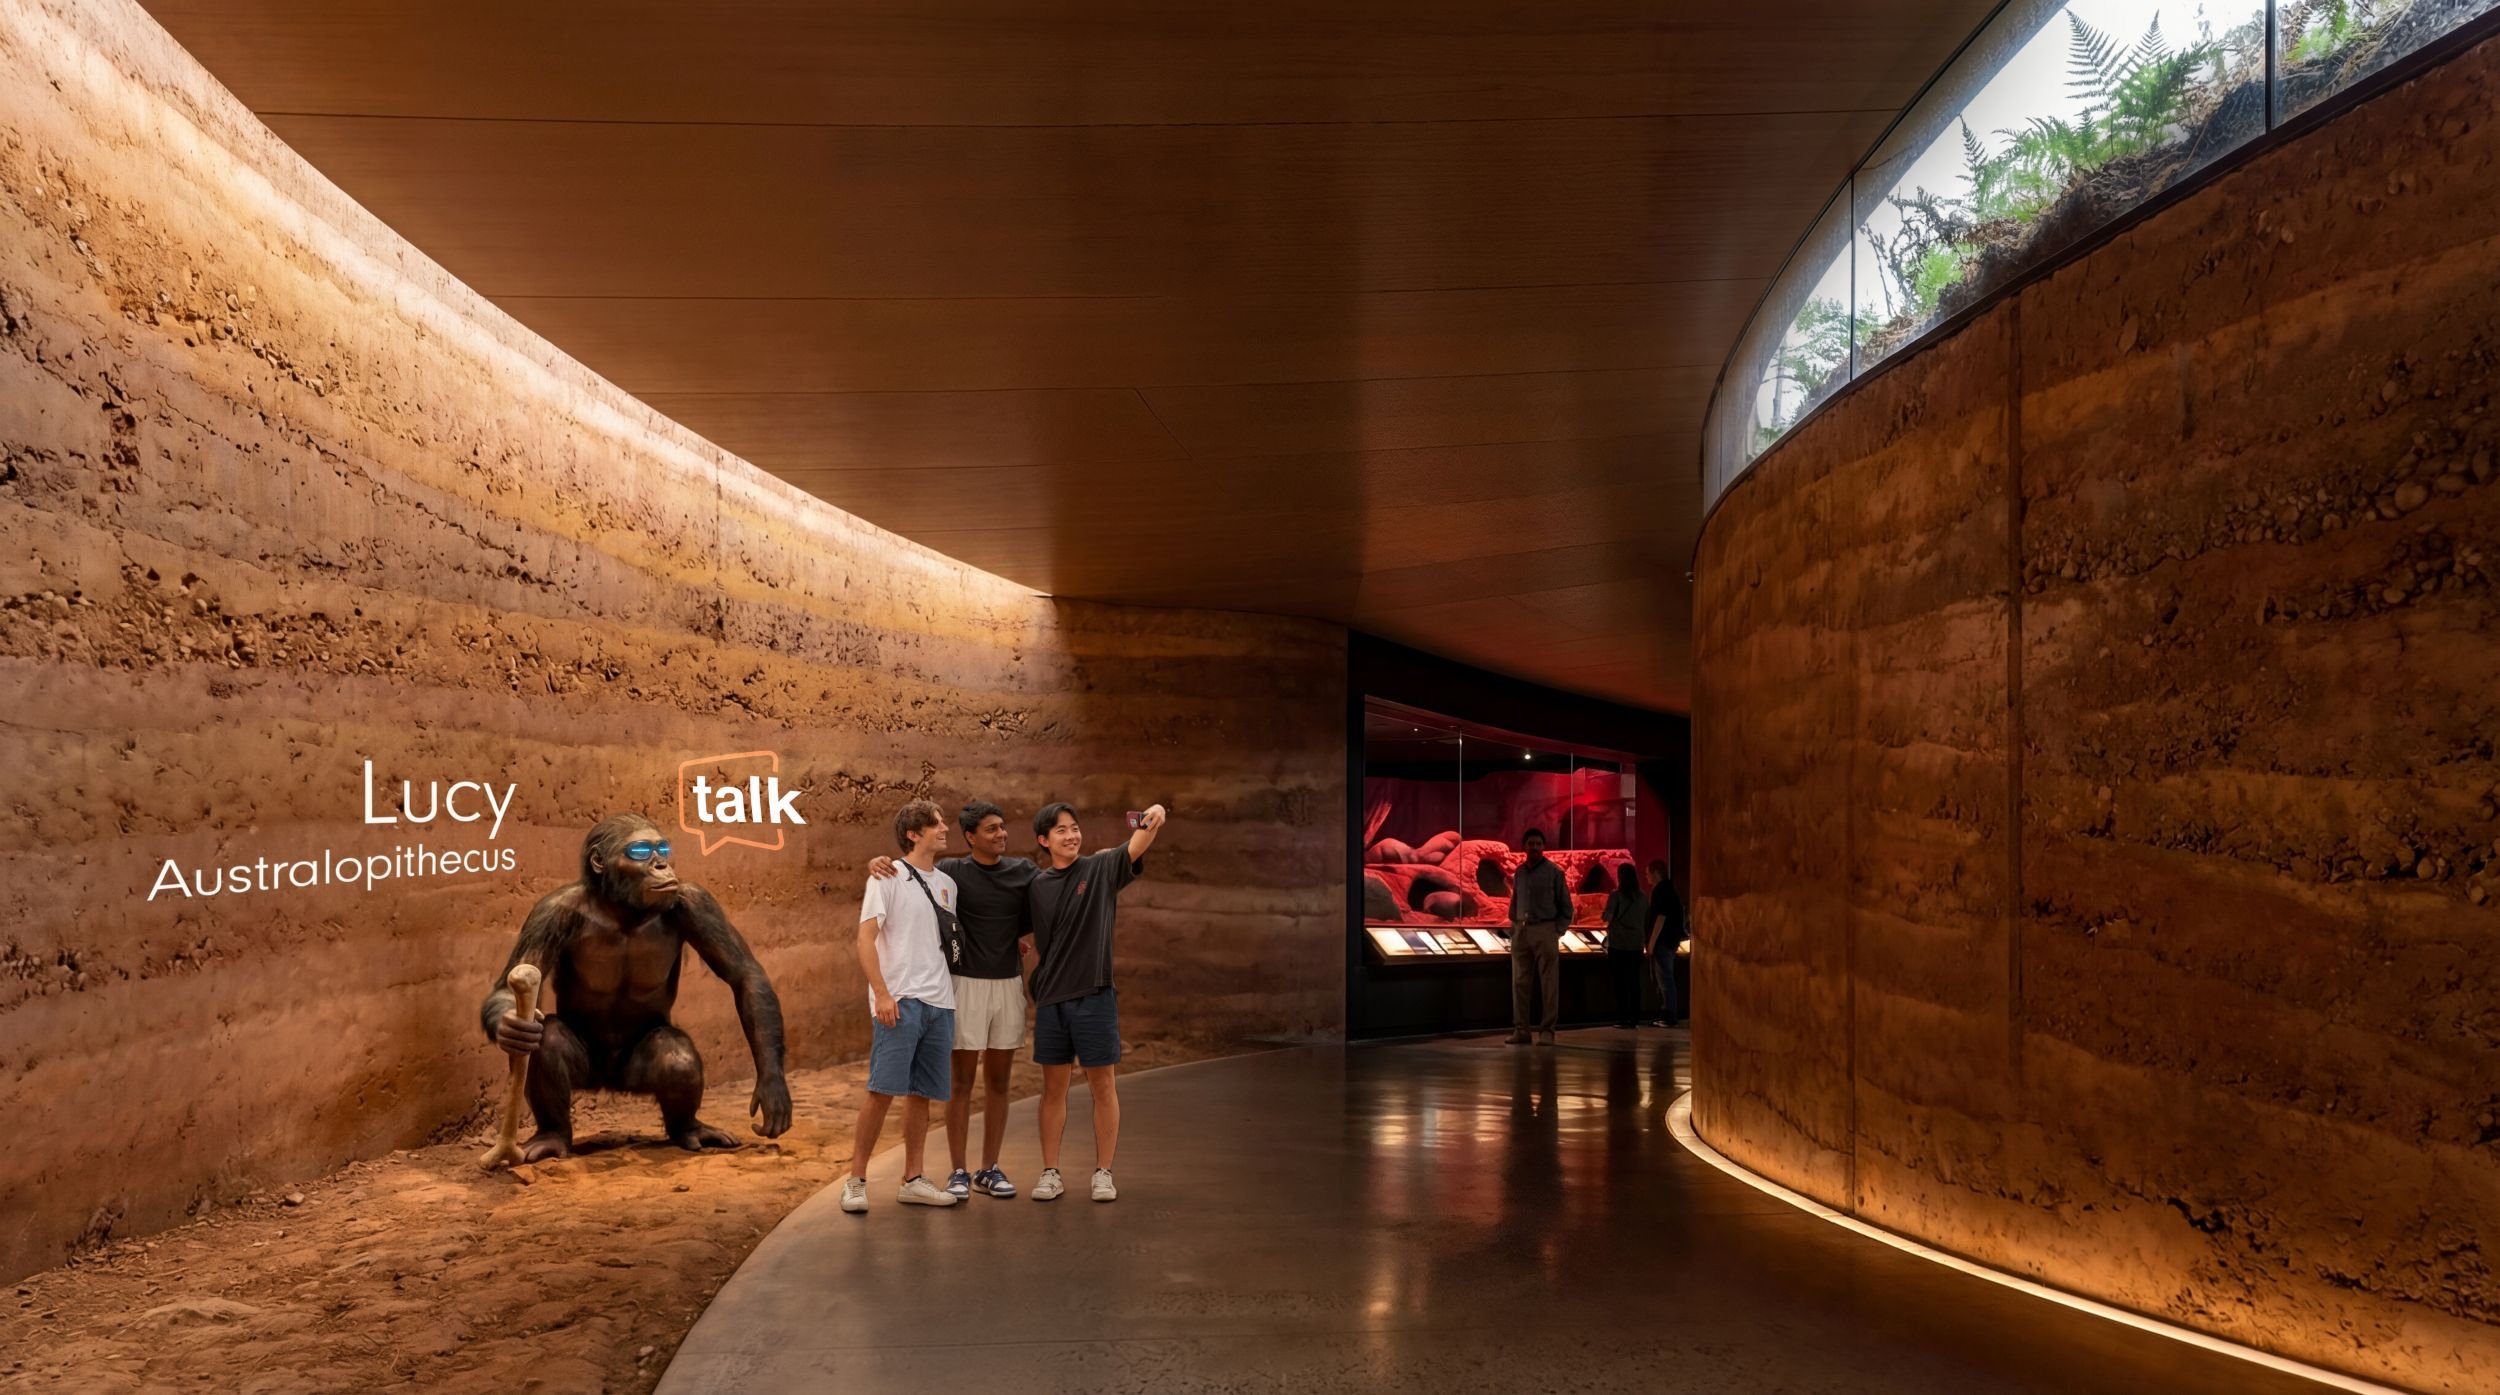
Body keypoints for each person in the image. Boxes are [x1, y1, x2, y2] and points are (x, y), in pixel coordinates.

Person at [868, 801, 1032, 1200]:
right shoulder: (952, 872)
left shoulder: (1023, 871)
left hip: (1008, 984)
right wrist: (876, 862)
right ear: (970, 837)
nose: (1001, 834)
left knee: (999, 1081)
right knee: (960, 1081)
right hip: (963, 985)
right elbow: (911, 871)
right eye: (991, 829)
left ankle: (989, 1168)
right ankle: (958, 1170)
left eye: (1002, 826)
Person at [1025, 801, 1166, 1202]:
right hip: (1052, 999)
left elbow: (1137, 843)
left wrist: (1156, 813)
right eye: (1061, 830)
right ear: (1044, 840)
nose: (1071, 836)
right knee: (1053, 1089)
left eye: (1074, 828)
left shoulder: (1100, 868)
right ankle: (1050, 1173)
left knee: (1102, 1084)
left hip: (1095, 996)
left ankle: (1103, 1173)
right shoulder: (1035, 885)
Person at [839, 799, 961, 1214]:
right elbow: (865, 939)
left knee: (922, 1094)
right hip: (901, 1001)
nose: (944, 828)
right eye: (936, 823)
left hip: (940, 1002)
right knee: (881, 1090)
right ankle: (855, 1180)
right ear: (913, 833)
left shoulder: (948, 884)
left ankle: (913, 1178)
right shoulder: (886, 876)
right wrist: (882, 993)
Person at [1503, 828, 1573, 1045]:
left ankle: (1547, 1031)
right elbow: (1515, 899)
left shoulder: (1554, 872)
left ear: (1543, 847)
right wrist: (1514, 924)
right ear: (1524, 846)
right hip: (1521, 931)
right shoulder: (1520, 872)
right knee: (1519, 982)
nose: (1534, 847)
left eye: (1538, 844)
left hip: (1545, 928)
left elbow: (1566, 907)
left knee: (1549, 983)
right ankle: (1521, 1030)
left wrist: (1556, 930)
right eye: (1531, 844)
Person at [1601, 862, 1651, 1029]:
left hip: (1618, 943)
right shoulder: (1643, 897)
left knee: (1620, 982)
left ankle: (1622, 1017)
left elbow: (1607, 917)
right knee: (1635, 982)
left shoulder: (1616, 896)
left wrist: (1605, 915)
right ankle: (1635, 1017)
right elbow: (1646, 918)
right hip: (1636, 944)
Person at [1645, 858, 1688, 1027]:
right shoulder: (1670, 889)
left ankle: (1669, 1015)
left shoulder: (1660, 891)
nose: (1646, 877)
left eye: (1648, 873)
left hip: (1663, 942)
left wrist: (1652, 942)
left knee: (1664, 979)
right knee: (1664, 978)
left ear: (1656, 873)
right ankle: (1666, 1013)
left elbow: (1660, 918)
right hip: (1669, 941)